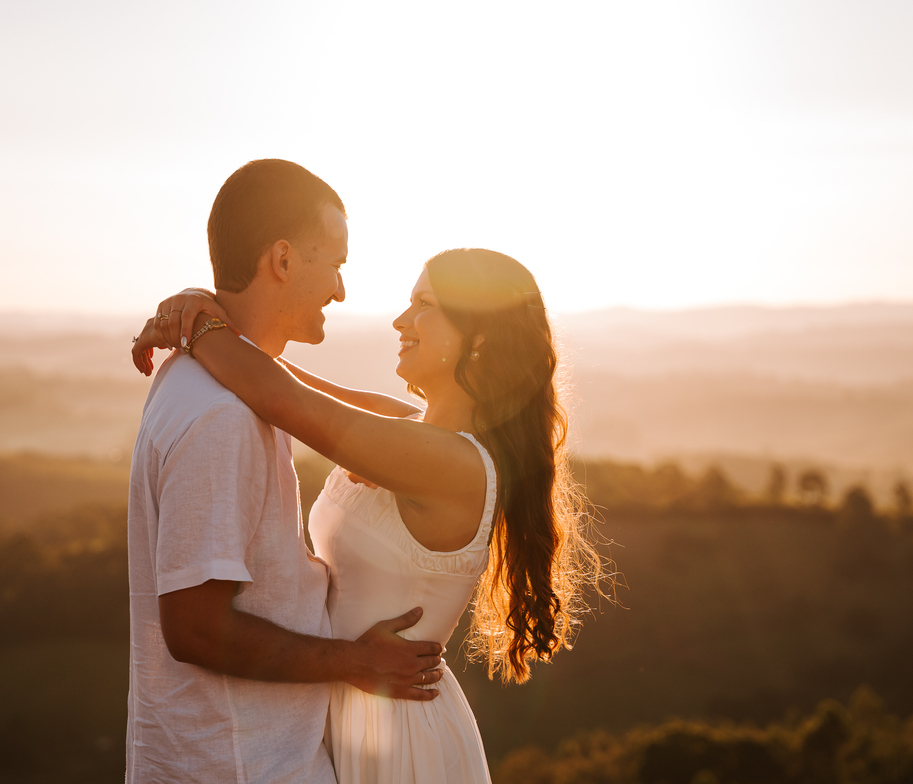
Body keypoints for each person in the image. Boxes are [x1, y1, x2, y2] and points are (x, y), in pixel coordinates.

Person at [134, 248, 604, 783]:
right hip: (346, 702)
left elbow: (280, 399)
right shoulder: (407, 427)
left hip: (396, 733)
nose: (401, 320)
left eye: (424, 305)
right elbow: (277, 376)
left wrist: (197, 325)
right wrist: (198, 308)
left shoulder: (454, 464)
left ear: (479, 337)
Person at [126, 159, 447, 784]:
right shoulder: (222, 416)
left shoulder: (199, 377)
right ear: (283, 259)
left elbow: (345, 413)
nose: (340, 290)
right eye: (335, 264)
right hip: (241, 765)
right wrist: (355, 661)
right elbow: (195, 629)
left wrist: (208, 324)